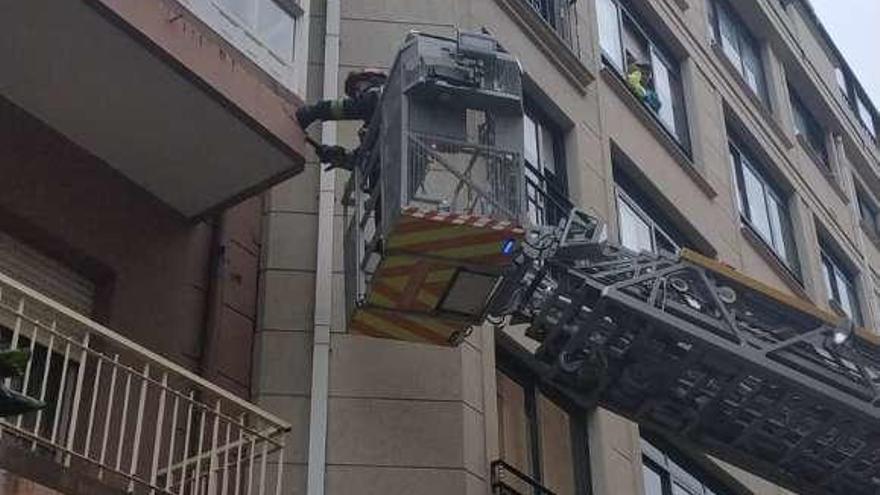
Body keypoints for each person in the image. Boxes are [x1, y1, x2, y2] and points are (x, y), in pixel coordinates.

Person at [295, 69, 387, 171]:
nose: (358, 95)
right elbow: (361, 160)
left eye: (358, 88)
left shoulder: (386, 95)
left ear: (373, 79)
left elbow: (368, 103)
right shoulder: (378, 126)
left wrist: (317, 111)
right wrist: (340, 156)